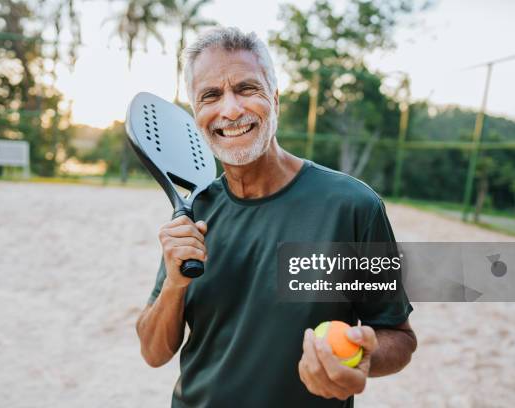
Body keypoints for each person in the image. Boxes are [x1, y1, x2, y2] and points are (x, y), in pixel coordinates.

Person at [136, 27, 417, 407]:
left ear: (275, 100)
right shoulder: (195, 210)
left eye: (247, 88)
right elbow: (154, 353)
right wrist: (174, 285)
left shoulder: (351, 206)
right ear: (197, 113)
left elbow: (398, 335)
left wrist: (365, 357)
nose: (231, 109)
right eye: (211, 95)